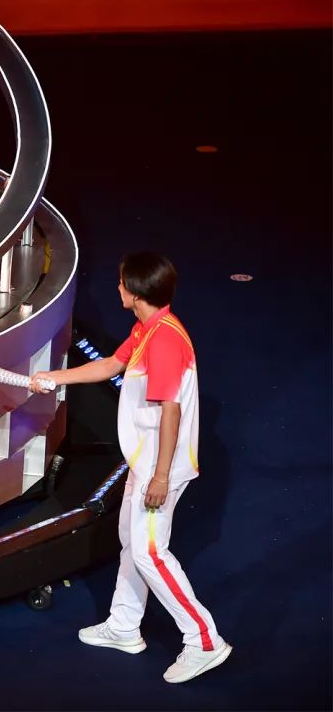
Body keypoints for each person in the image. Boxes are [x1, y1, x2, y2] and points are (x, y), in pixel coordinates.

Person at [31, 251, 232, 684]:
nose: (118, 287)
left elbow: (171, 412)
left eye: (122, 282)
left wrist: (160, 476)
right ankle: (124, 626)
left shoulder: (164, 341)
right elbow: (110, 365)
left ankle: (204, 640)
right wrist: (54, 379)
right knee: (132, 543)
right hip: (145, 462)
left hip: (162, 467)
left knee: (150, 553)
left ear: (137, 292)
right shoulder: (148, 327)